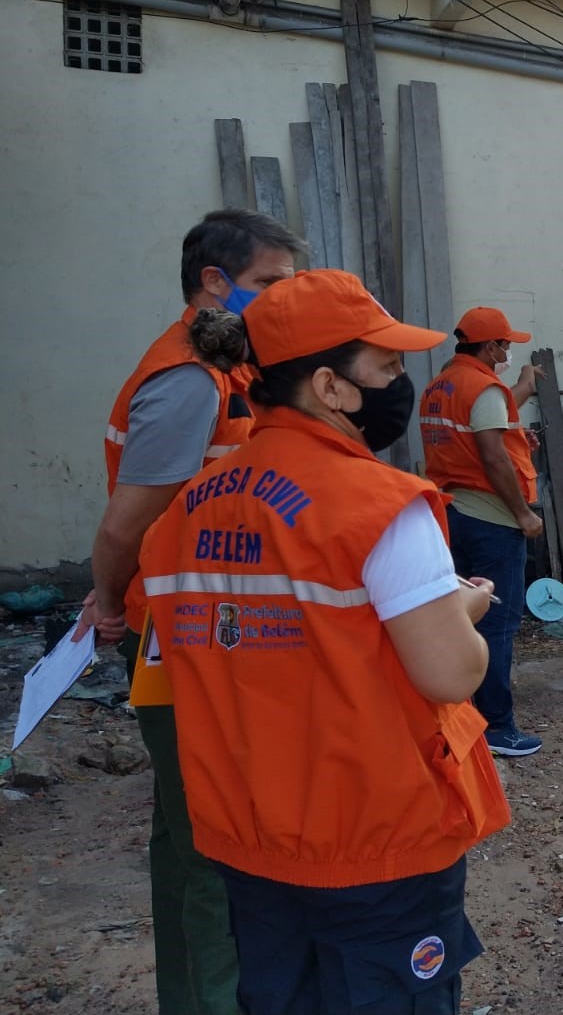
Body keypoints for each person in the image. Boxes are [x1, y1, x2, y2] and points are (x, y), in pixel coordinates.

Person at [139, 269, 511, 1014]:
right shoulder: (379, 503)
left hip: (252, 838)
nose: (401, 382)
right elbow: (447, 676)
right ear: (330, 387)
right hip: (374, 837)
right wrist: (463, 613)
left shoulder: (183, 514)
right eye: (387, 366)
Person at [79, 207, 303, 1015]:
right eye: (267, 284)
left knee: (185, 840)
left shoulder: (223, 371)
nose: (280, 299)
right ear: (215, 284)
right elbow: (126, 523)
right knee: (214, 842)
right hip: (180, 638)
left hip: (192, 625)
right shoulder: (186, 382)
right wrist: (109, 604)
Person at [420, 307, 545, 757]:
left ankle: (458, 716)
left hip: (450, 513)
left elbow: (470, 445)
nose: (508, 352)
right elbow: (491, 458)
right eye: (505, 345)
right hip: (492, 519)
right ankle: (497, 727)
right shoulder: (485, 387)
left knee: (457, 618)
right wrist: (524, 513)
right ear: (490, 347)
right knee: (496, 623)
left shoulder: (439, 385)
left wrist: (516, 443)